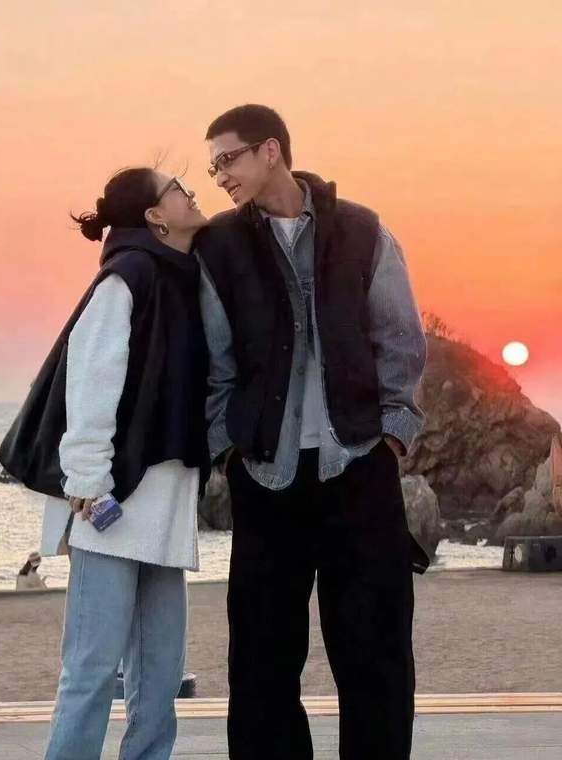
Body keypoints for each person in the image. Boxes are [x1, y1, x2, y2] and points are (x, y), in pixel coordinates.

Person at [195, 104, 429, 760]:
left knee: (376, 656)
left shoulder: (361, 229)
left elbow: (401, 340)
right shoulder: (219, 245)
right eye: (213, 167)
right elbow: (215, 363)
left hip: (358, 468)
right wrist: (228, 452)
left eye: (227, 159)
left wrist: (390, 440)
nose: (220, 176)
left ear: (270, 150)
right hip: (265, 476)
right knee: (261, 664)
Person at [19, 166, 209, 760]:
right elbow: (91, 380)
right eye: (177, 189)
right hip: (112, 503)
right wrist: (87, 480)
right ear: (155, 216)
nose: (191, 194)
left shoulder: (184, 277)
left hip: (165, 502)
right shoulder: (127, 277)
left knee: (160, 674)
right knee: (93, 668)